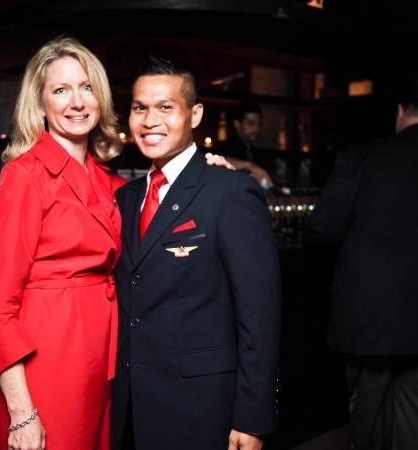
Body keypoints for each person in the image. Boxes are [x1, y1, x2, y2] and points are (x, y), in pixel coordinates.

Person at [308, 78, 418, 450]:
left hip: (369, 326)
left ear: (400, 111)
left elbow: (322, 230)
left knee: (368, 433)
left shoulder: (360, 159)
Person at [111, 56, 281, 450]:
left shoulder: (229, 191)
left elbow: (259, 315)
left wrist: (252, 417)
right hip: (131, 404)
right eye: (139, 108)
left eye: (165, 107)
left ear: (196, 114)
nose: (150, 121)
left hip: (201, 406)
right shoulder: (125, 198)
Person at [0, 37, 126, 450]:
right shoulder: (24, 177)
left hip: (100, 356)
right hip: (46, 358)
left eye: (86, 87)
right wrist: (21, 411)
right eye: (61, 90)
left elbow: (161, 199)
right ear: (41, 103)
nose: (77, 102)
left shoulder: (107, 180)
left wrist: (212, 170)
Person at [214, 100, 273, 189]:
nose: (256, 129)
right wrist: (249, 165)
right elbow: (216, 160)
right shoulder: (226, 146)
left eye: (259, 124)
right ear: (237, 124)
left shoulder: (254, 150)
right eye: (251, 123)